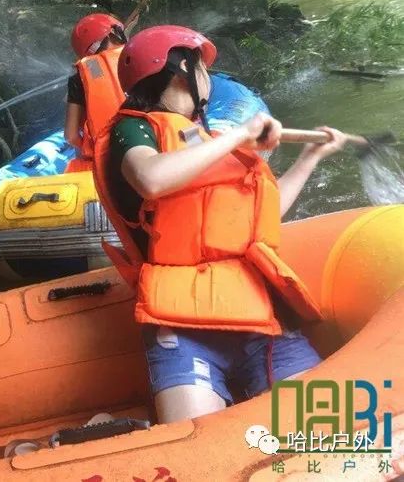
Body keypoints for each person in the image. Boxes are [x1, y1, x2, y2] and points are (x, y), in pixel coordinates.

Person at [91, 25, 347, 424]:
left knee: (326, 433)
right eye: (204, 69)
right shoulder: (135, 128)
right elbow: (151, 179)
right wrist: (239, 135)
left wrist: (309, 158)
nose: (208, 81)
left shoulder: (198, 138)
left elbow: (261, 216)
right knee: (199, 454)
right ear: (181, 70)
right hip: (182, 324)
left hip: (257, 314)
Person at [65, 13, 127, 173]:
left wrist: (90, 148)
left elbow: (71, 136)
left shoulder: (79, 77)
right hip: (153, 150)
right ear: (115, 33)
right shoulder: (141, 56)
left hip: (107, 162)